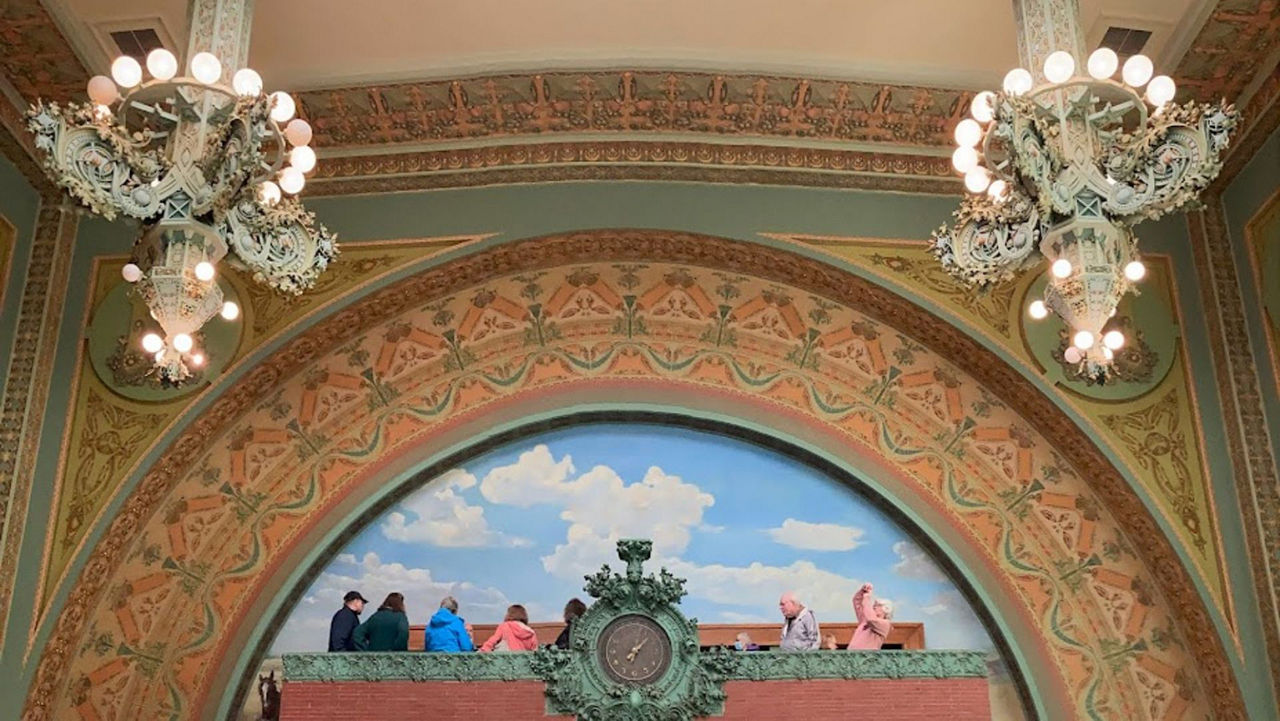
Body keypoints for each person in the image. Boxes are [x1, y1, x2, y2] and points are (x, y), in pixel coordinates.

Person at [849, 582, 893, 650]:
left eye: (878, 605)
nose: (874, 607)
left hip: (866, 658)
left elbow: (871, 619)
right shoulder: (865, 620)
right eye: (874, 605)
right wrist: (862, 592)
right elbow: (858, 603)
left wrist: (867, 597)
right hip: (852, 656)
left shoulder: (885, 624)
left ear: (886, 609)